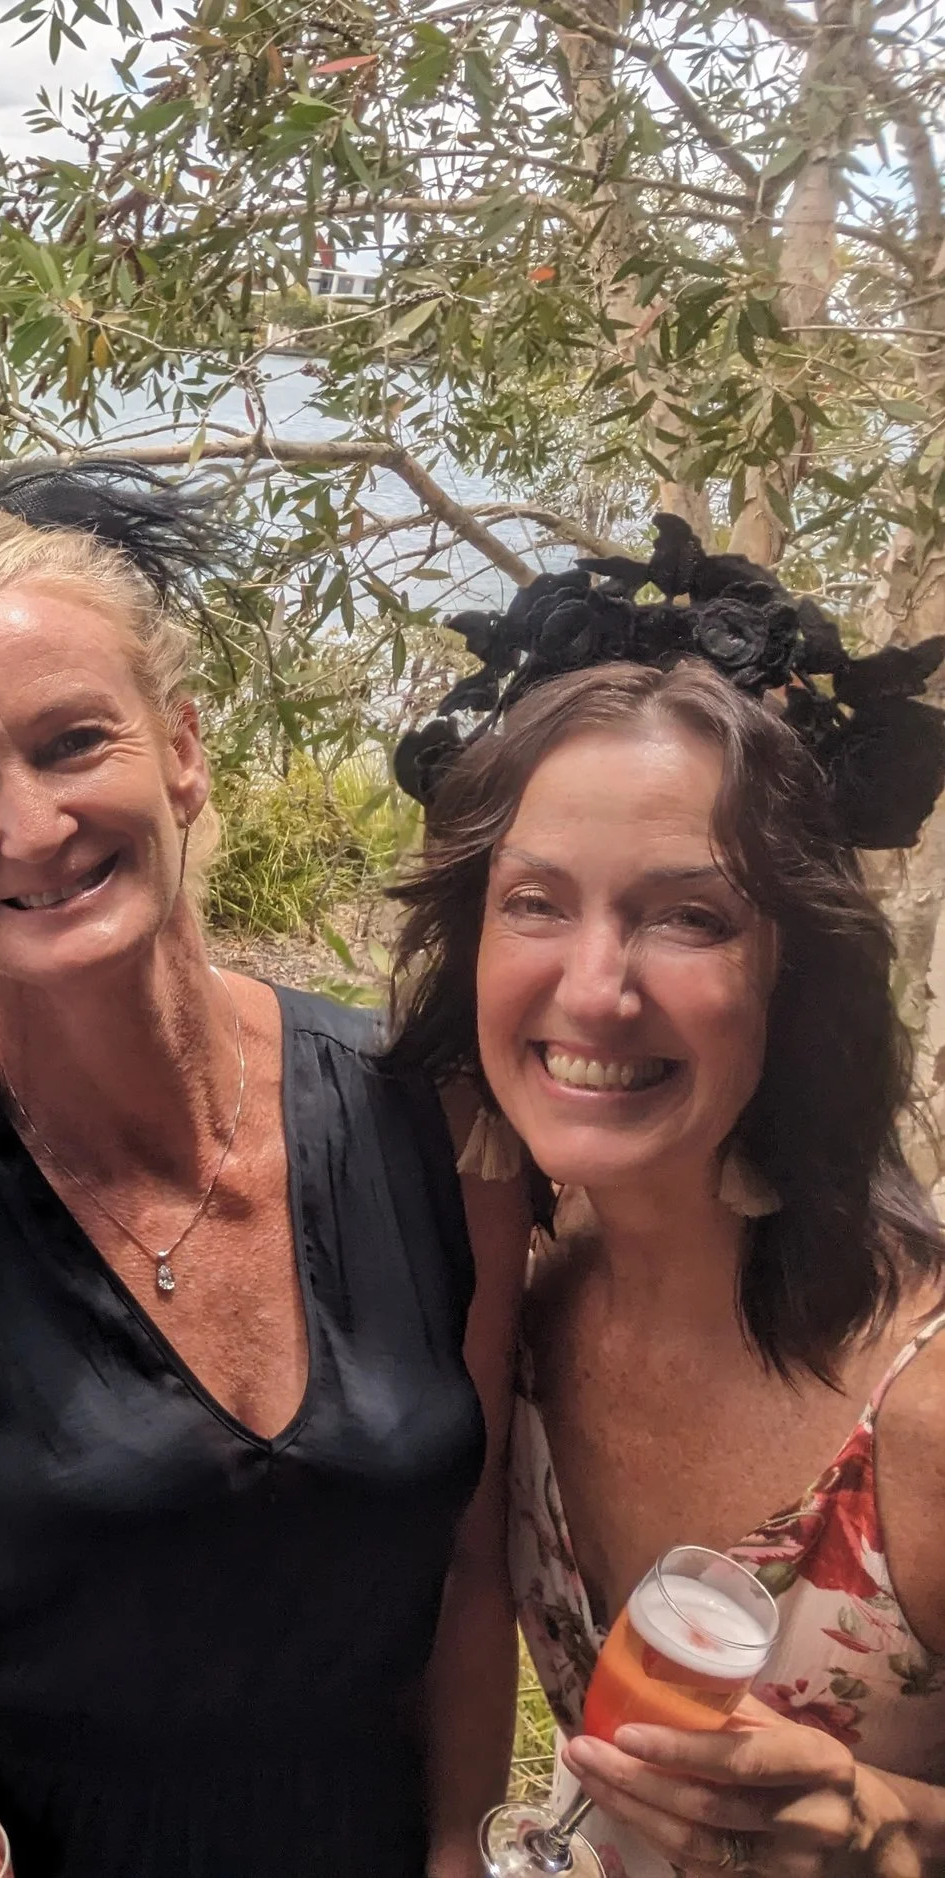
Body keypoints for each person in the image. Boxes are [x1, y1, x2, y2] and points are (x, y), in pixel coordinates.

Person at [0, 457, 530, 1878]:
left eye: (73, 743)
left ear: (181, 749)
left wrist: (457, 1842)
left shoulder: (430, 1121)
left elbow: (474, 1551)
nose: (32, 825)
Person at [385, 519, 945, 1876]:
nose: (595, 988)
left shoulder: (925, 1414)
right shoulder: (520, 1306)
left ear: (794, 970)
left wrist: (893, 1826)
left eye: (688, 916)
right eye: (535, 902)